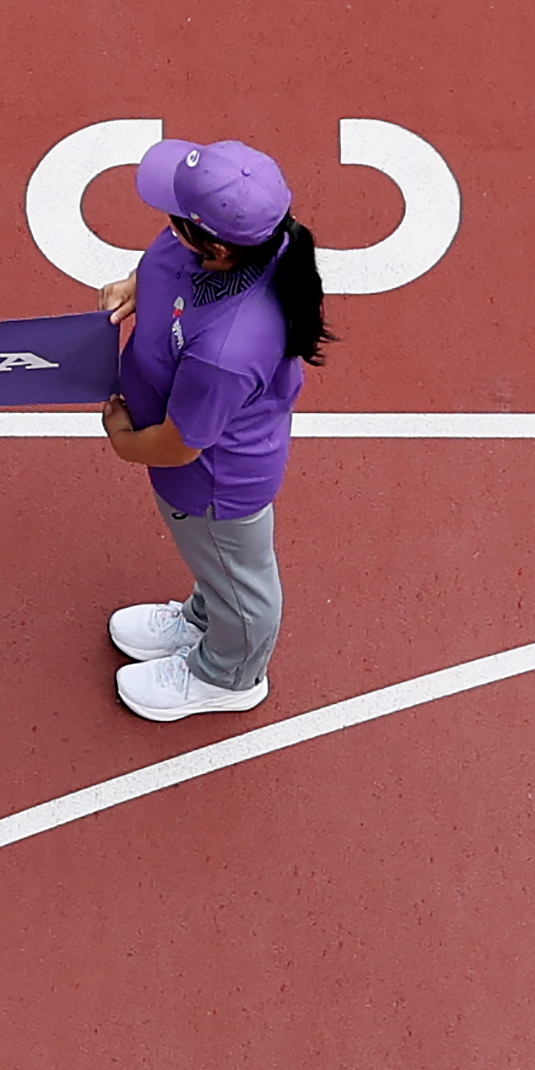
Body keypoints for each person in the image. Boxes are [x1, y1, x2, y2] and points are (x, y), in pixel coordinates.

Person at [97, 137, 332, 721]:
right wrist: (136, 285)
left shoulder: (229, 349)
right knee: (217, 570)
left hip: (211, 485)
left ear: (217, 246)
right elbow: (164, 263)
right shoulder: (221, 244)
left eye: (176, 215)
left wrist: (125, 443)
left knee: (240, 582)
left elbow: (181, 445)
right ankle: (202, 618)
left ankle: (229, 674)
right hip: (188, 464)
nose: (166, 221)